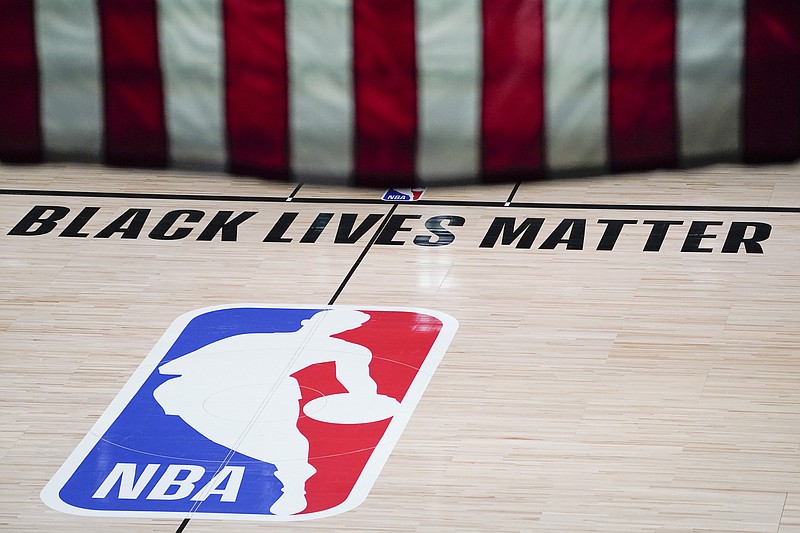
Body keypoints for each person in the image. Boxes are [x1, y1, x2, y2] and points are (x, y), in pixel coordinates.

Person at [153, 309, 386, 515]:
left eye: (342, 327)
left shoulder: (345, 350)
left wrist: (367, 398)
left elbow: (357, 380)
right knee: (251, 438)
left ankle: (294, 486)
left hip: (270, 390)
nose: (334, 329)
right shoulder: (250, 341)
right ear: (308, 322)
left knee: (287, 440)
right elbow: (170, 368)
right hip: (207, 389)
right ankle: (293, 472)